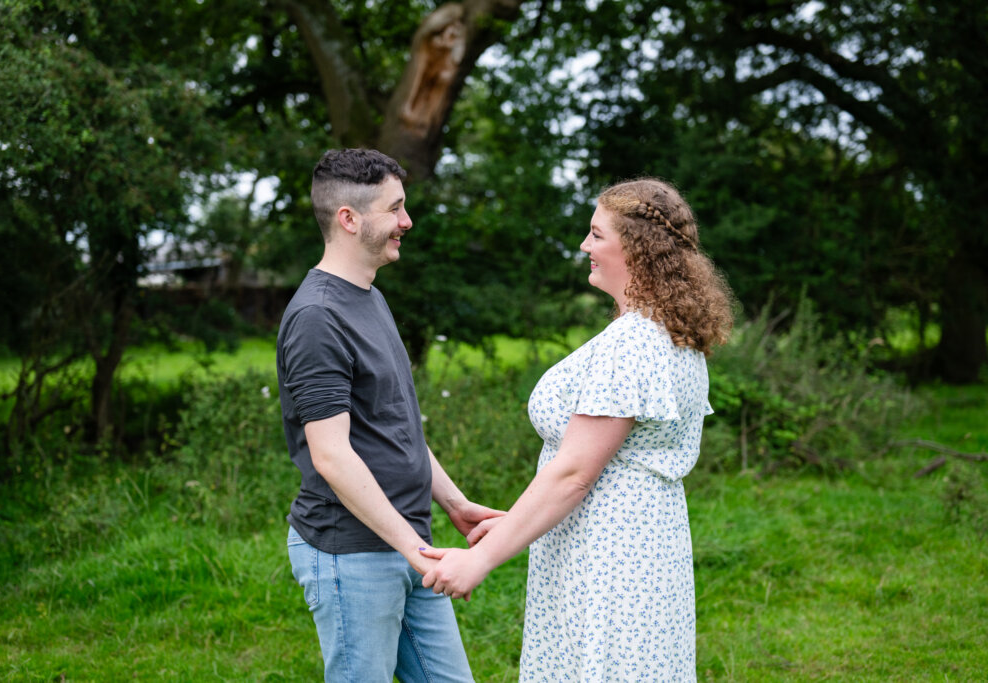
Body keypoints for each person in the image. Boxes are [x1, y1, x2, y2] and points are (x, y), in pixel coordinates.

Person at [420, 177, 735, 681]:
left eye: (596, 235)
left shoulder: (633, 342)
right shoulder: (668, 333)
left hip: (610, 559)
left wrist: (477, 563)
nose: (584, 246)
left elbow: (573, 473)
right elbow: (608, 462)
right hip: (635, 543)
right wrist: (518, 522)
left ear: (635, 248)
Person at [276, 148, 503, 683]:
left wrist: (454, 502)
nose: (407, 221)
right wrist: (413, 548)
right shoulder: (317, 317)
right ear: (348, 219)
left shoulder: (370, 297)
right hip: (352, 554)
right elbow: (331, 455)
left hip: (407, 543)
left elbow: (394, 426)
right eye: (394, 208)